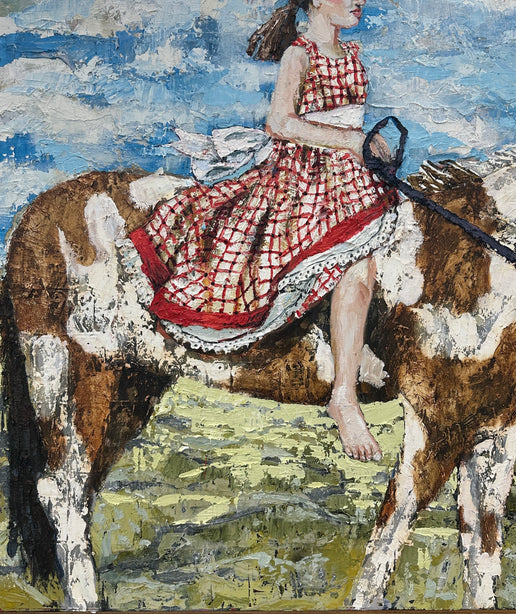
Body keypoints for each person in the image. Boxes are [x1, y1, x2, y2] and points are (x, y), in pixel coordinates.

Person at [130, 0, 399, 461]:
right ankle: (344, 397)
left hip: (352, 179)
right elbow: (279, 122)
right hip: (301, 181)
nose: (359, 1)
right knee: (357, 268)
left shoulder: (353, 55)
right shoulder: (299, 54)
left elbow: (349, 121)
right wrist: (350, 141)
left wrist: (373, 146)